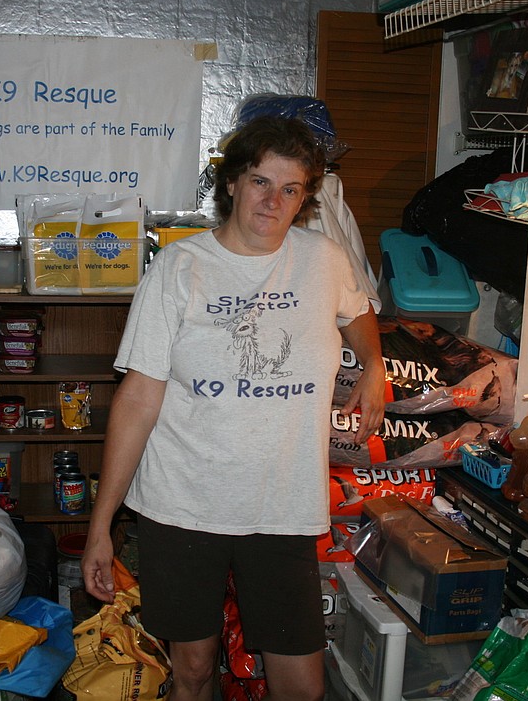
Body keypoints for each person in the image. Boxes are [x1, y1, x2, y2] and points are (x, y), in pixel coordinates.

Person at [81, 115, 386, 701]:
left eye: (291, 189)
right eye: (260, 182)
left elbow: (358, 310)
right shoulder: (179, 269)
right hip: (183, 506)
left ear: (305, 199)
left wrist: (373, 366)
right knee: (193, 672)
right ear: (231, 184)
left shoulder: (324, 260)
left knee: (301, 685)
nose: (273, 201)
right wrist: (102, 526)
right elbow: (139, 399)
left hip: (282, 507)